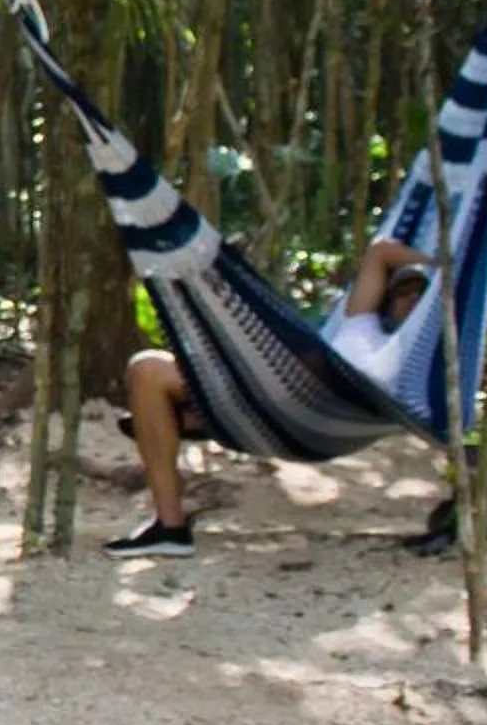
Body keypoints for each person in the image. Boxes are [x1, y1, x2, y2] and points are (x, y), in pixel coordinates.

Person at [104, 236, 432, 559]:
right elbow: (379, 252)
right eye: (403, 291)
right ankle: (170, 527)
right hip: (274, 395)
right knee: (146, 369)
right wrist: (438, 262)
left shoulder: (423, 352)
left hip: (326, 412)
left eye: (420, 293)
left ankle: (194, 414)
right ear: (388, 300)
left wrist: (450, 271)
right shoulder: (362, 326)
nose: (411, 299)